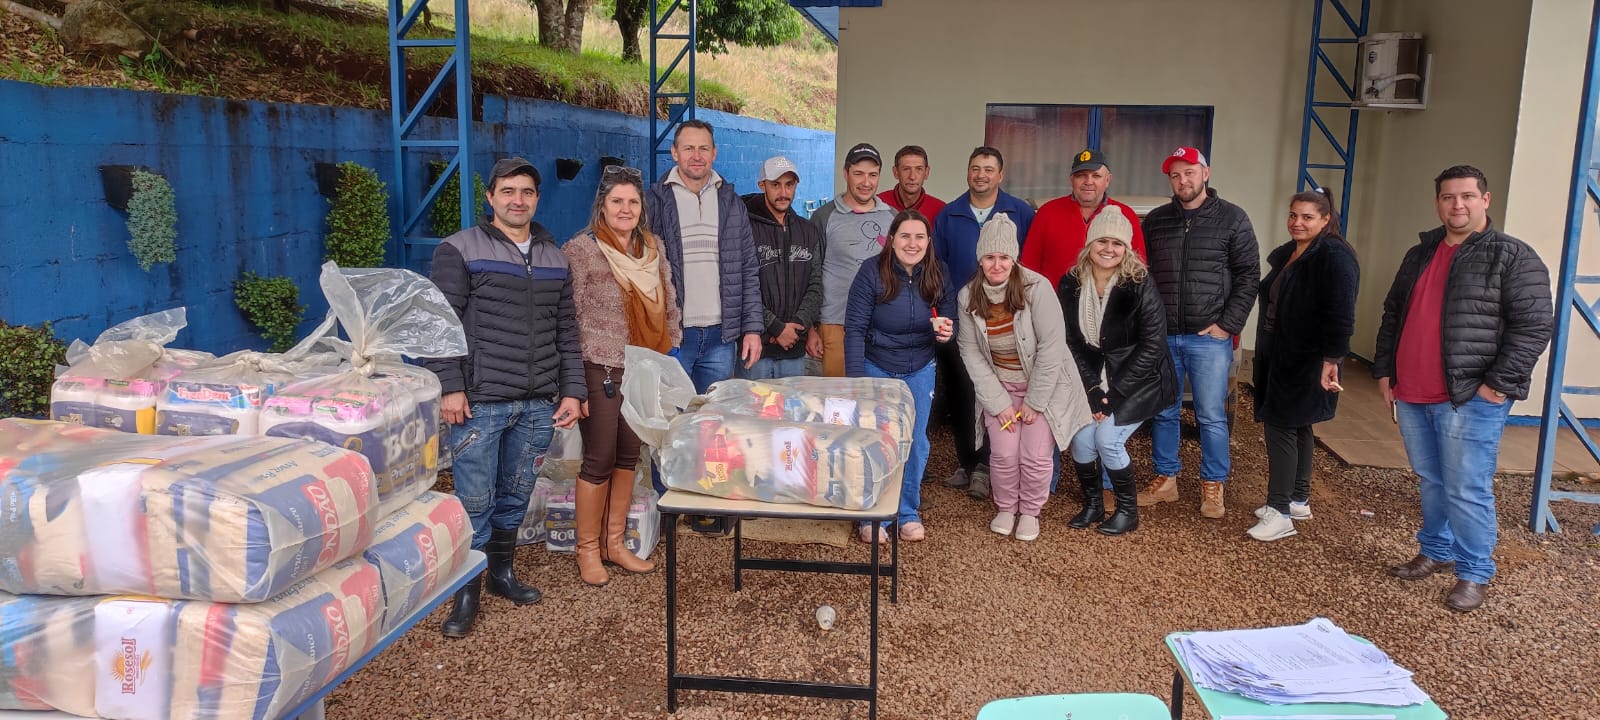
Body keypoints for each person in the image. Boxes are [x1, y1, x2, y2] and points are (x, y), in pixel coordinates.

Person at [1374, 165, 1553, 612]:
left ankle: (1473, 572)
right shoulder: (1421, 252)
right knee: (1432, 480)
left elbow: (1534, 326)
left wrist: (1498, 385)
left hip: (1469, 395)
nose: (1458, 205)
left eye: (1468, 196)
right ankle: (1436, 550)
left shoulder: (1512, 255)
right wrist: (1384, 370)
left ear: (1485, 200)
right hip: (1413, 390)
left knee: (1466, 486)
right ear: (1438, 202)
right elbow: (1393, 312)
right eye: (1449, 197)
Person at [425, 157, 586, 637]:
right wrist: (450, 386)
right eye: (509, 192)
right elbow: (440, 326)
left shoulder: (554, 256)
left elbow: (567, 330)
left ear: (537, 199)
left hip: (538, 401)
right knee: (475, 501)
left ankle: (501, 573)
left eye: (528, 193)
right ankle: (466, 592)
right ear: (491, 197)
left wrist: (573, 391)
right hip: (481, 401)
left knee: (515, 497)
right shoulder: (458, 250)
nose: (519, 201)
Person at [565, 165, 682, 586]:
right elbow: (569, 316)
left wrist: (673, 341)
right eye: (617, 201)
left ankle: (615, 544)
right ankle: (587, 549)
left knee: (630, 453)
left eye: (633, 201)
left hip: (643, 366)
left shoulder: (653, 248)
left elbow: (668, 299)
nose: (626, 208)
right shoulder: (581, 250)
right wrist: (572, 382)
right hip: (600, 364)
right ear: (602, 205)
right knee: (599, 456)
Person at [956, 214, 1093, 541]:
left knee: (1034, 454)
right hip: (1001, 388)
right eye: (990, 257)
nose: (997, 265)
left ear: (1014, 258)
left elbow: (1052, 347)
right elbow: (970, 352)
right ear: (981, 259)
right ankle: (1006, 506)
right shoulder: (968, 296)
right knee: (1003, 454)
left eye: (1004, 257)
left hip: (1041, 387)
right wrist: (998, 402)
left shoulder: (1037, 288)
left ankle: (1030, 510)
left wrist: (1035, 402)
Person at [1141, 146, 1260, 519]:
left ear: (1205, 174)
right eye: (1175, 175)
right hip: (1164, 336)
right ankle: (1166, 479)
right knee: (1163, 412)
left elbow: (1248, 275)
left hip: (1208, 338)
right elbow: (1141, 276)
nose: (1183, 181)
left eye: (1189, 172)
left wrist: (1228, 324)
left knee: (1210, 415)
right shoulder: (1157, 221)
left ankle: (1213, 483)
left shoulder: (1233, 218)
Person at [1246, 188, 1360, 542]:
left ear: (1326, 220)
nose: (1297, 222)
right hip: (1279, 351)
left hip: (1304, 356)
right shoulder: (1294, 253)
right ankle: (1297, 498)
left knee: (1280, 426)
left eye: (1307, 217)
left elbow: (1341, 314)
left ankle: (1279, 511)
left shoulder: (1335, 256)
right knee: (1299, 426)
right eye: (1293, 215)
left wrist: (1332, 359)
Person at [1059, 210, 1177, 536]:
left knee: (1107, 440)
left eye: (1117, 243)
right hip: (1095, 378)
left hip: (1139, 379)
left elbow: (1153, 345)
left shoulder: (1139, 283)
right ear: (1089, 244)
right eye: (1102, 240)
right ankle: (1094, 504)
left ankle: (1128, 511)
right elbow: (1070, 340)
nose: (1109, 248)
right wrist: (1093, 389)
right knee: (1082, 440)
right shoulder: (1070, 283)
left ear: (1126, 248)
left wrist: (1114, 393)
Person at [845, 209, 955, 543]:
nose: (912, 243)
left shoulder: (938, 272)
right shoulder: (871, 272)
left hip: (920, 367)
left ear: (928, 242)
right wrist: (857, 383)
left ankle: (906, 511)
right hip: (876, 366)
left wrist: (948, 331)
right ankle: (871, 514)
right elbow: (854, 329)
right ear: (892, 240)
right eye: (905, 236)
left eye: (919, 236)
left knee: (916, 443)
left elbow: (950, 316)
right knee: (874, 442)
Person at [932, 147, 1036, 498]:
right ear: (967, 173)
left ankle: (992, 465)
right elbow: (939, 269)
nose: (981, 175)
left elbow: (1028, 266)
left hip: (1008, 324)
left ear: (1000, 175)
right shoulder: (949, 215)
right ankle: (968, 461)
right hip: (964, 321)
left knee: (1002, 392)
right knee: (964, 393)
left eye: (988, 169)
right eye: (975, 168)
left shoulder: (1020, 212)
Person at [645, 119, 763, 393]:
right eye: (688, 149)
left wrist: (753, 329)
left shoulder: (732, 203)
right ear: (674, 153)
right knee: (673, 420)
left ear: (714, 153)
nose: (696, 156)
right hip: (674, 337)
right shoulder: (653, 202)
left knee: (713, 423)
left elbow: (748, 269)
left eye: (703, 148)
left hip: (721, 337)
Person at [813, 143, 898, 378]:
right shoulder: (824, 216)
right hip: (836, 324)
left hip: (882, 325)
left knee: (875, 403)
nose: (866, 182)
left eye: (872, 175)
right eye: (858, 174)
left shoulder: (893, 218)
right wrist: (812, 328)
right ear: (845, 173)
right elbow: (812, 275)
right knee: (838, 403)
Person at [742, 156, 825, 379]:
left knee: (790, 412)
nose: (783, 192)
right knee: (753, 412)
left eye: (789, 184)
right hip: (756, 347)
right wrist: (777, 328)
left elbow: (815, 284)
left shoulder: (807, 231)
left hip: (794, 349)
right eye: (775, 184)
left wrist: (797, 326)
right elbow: (741, 287)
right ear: (762, 186)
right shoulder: (744, 228)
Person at [1021, 148, 1146, 291]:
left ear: (1107, 180)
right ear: (1071, 179)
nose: (1088, 181)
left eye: (1096, 176)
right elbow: (1028, 267)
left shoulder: (1126, 215)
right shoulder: (1047, 212)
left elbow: (1138, 270)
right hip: (1055, 306)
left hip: (1110, 308)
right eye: (1081, 175)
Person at [879, 145, 946, 225]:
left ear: (926, 172)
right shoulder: (878, 204)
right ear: (895, 172)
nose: (912, 177)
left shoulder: (941, 210)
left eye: (919, 169)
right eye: (906, 169)